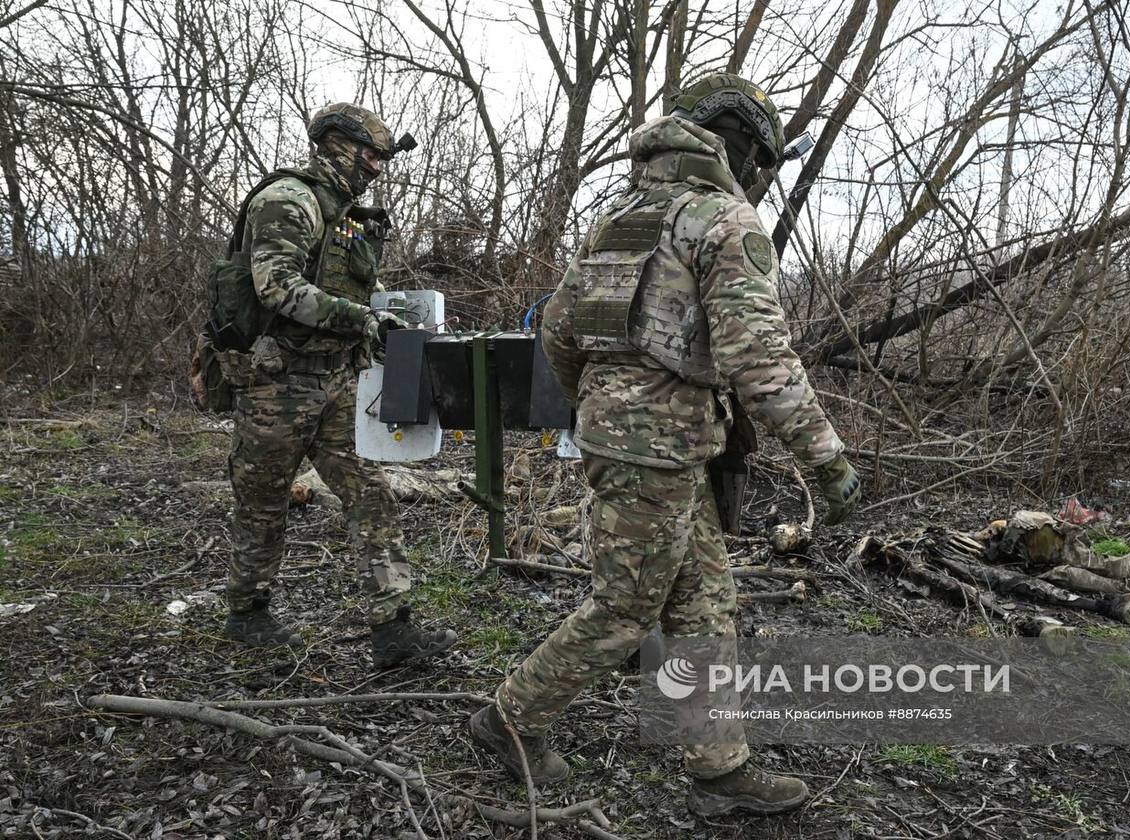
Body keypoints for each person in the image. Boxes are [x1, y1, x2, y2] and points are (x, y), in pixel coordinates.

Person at [468, 74, 861, 816]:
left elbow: (558, 331)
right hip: (658, 448)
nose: (758, 177)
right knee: (624, 609)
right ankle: (508, 720)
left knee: (705, 602)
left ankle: (720, 771)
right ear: (742, 147)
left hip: (646, 444)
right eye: (761, 161)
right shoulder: (723, 220)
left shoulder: (621, 217)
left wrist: (605, 403)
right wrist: (826, 459)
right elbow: (759, 357)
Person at [219, 102, 456, 669]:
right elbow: (277, 287)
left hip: (337, 380)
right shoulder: (288, 200)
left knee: (371, 493)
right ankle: (247, 611)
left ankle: (394, 627)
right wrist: (363, 319)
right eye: (370, 155)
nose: (376, 167)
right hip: (276, 385)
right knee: (263, 502)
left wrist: (394, 315)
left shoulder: (346, 215)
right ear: (337, 145)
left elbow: (357, 290)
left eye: (381, 158)